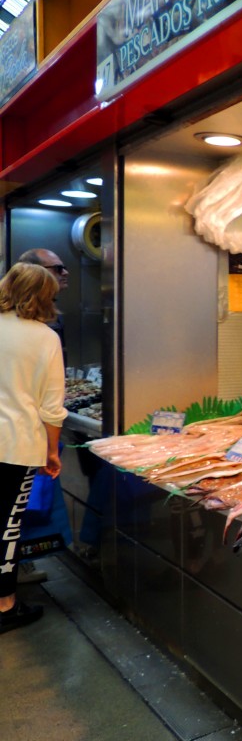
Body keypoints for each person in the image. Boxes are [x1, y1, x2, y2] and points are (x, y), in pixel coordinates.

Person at [0, 263, 67, 633]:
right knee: (7, 527)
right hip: (15, 444)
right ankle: (5, 606)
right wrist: (51, 452)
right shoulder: (44, 338)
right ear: (44, 297)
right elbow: (51, 407)